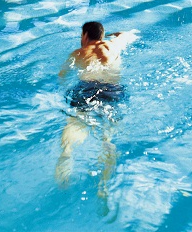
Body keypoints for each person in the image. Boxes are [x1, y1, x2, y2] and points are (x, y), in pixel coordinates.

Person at [55, 21, 138, 199]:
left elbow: (62, 76)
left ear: (84, 36)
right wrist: (112, 35)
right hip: (112, 90)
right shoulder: (113, 46)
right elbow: (127, 34)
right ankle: (105, 183)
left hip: (86, 89)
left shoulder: (78, 53)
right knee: (108, 135)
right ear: (101, 36)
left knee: (75, 121)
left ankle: (67, 152)